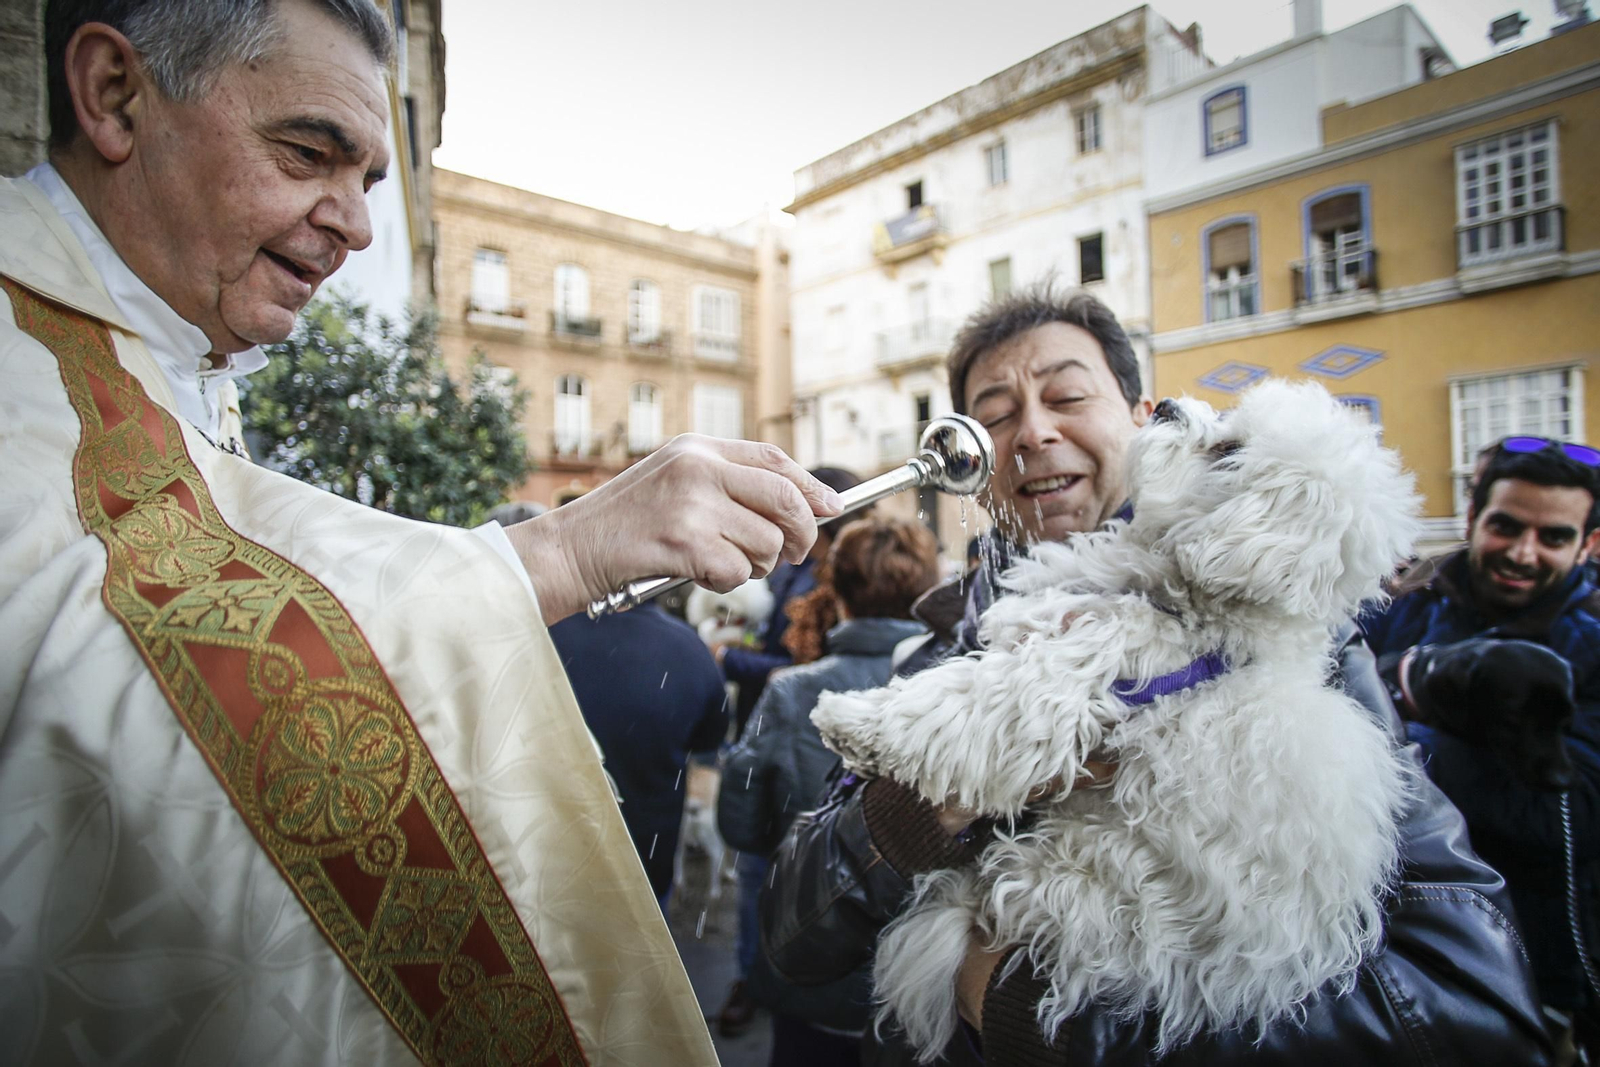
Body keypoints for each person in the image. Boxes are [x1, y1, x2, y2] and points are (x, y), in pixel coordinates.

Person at [0, 3, 840, 1063]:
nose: (351, 225)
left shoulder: (171, 357)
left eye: (369, 185)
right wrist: (564, 553)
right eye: (309, 153)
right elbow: (103, 674)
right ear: (116, 94)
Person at [759, 284, 1555, 1065]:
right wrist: (921, 803)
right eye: (994, 416)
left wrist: (1043, 1022)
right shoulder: (937, 651)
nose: (1033, 431)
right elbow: (795, 937)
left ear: (1144, 419)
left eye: (1067, 395)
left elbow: (1475, 1009)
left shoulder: (1300, 654)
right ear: (975, 468)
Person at [1364, 437, 1600, 1056]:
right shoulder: (1394, 600)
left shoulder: (1594, 647)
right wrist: (1414, 674)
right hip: (1387, 947)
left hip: (1533, 964)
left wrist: (1403, 722)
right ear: (1473, 520)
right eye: (1506, 526)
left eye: (1553, 537)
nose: (1523, 553)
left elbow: (1566, 816)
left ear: (1589, 544)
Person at [718, 518, 940, 1063]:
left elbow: (740, 824)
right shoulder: (954, 689)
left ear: (835, 592)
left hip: (814, 965)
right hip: (920, 983)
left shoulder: (792, 693)